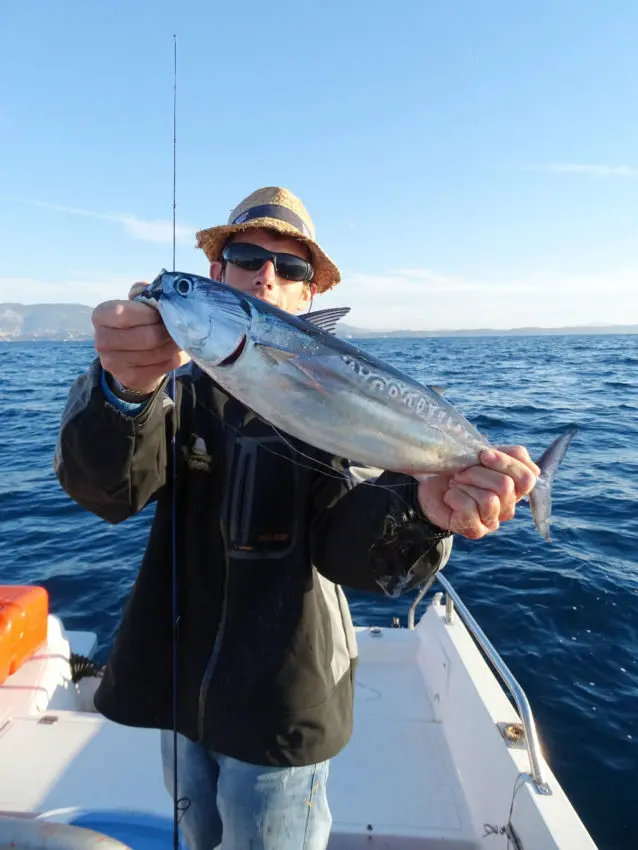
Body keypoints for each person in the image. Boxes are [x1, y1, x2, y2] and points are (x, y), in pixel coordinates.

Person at [53, 186, 540, 850]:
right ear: (219, 273)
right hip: (175, 689)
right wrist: (123, 392)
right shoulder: (175, 394)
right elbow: (105, 492)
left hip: (283, 705)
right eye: (248, 256)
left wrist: (424, 510)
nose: (267, 275)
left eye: (293, 268)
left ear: (309, 297)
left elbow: (351, 548)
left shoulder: (335, 407)